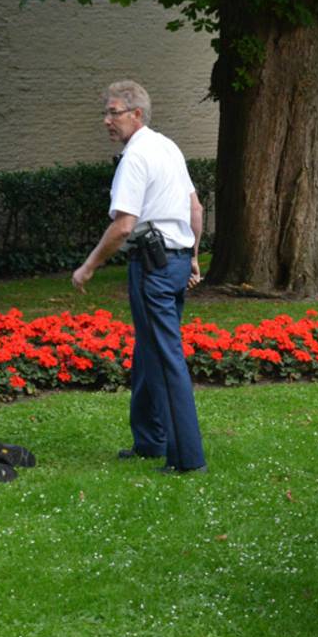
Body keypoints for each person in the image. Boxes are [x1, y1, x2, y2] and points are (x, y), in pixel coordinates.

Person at [71, 80, 207, 474]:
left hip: (152, 267)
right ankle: (150, 440)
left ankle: (186, 458)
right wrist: (193, 256)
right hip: (175, 261)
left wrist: (89, 266)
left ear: (137, 115)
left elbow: (123, 226)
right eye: (106, 113)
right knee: (149, 351)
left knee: (164, 359)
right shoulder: (167, 147)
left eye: (113, 112)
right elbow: (194, 208)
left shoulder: (135, 157)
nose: (106, 121)